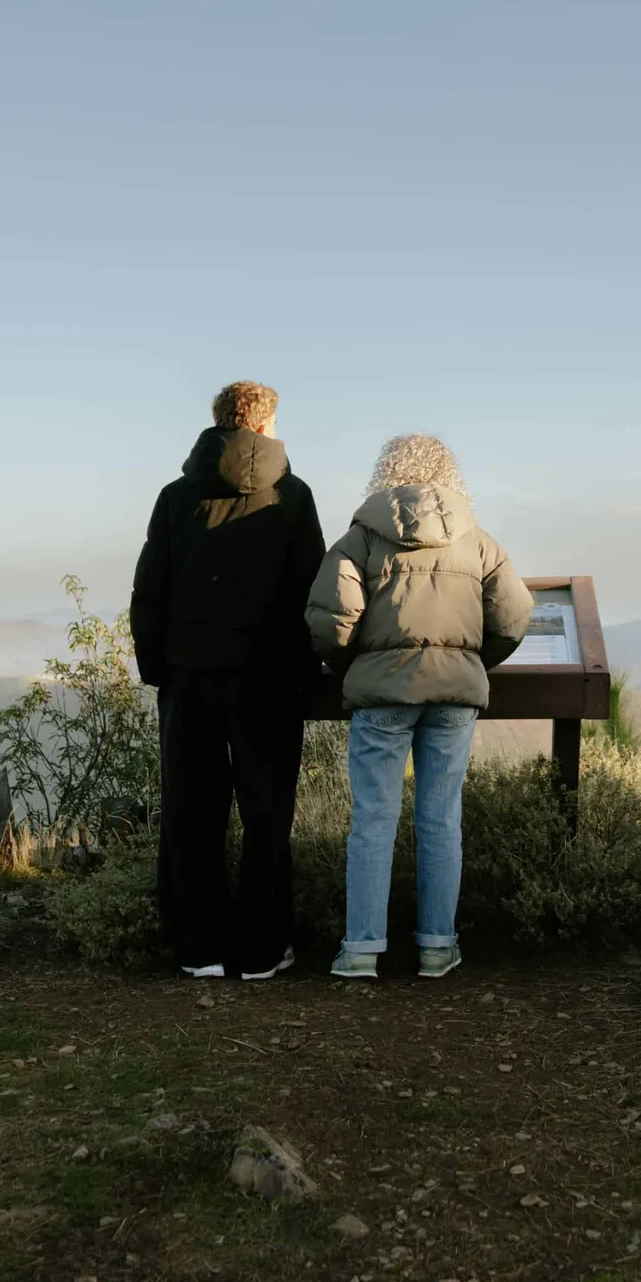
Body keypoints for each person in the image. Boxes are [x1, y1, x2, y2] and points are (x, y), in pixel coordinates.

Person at [306, 434, 532, 979]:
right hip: (453, 697)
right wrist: (470, 661)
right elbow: (514, 617)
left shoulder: (359, 540)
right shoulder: (478, 543)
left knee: (373, 820)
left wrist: (354, 668)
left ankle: (361, 949)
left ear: (386, 474)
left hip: (381, 697)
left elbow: (329, 621)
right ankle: (436, 946)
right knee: (440, 817)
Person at [129, 381, 325, 981]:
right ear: (267, 426)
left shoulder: (174, 497)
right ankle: (265, 949)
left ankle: (201, 947)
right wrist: (303, 672)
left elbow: (149, 592)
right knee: (267, 812)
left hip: (191, 676)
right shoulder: (292, 497)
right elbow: (309, 592)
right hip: (267, 681)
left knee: (192, 809)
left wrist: (160, 668)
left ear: (217, 424)